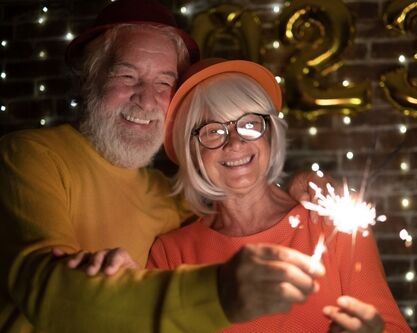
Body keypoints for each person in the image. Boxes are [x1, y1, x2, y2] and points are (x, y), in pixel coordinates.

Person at [0, 0, 328, 332]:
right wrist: (214, 293)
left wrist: (296, 191)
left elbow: (242, 211)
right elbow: (45, 289)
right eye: (127, 76)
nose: (145, 99)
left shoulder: (171, 196)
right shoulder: (32, 155)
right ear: (91, 77)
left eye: (163, 84)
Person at [80, 59, 412, 332]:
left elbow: (393, 328)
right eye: (213, 131)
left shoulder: (330, 222)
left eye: (249, 124)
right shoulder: (171, 252)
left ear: (270, 134)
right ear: (190, 149)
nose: (235, 143)